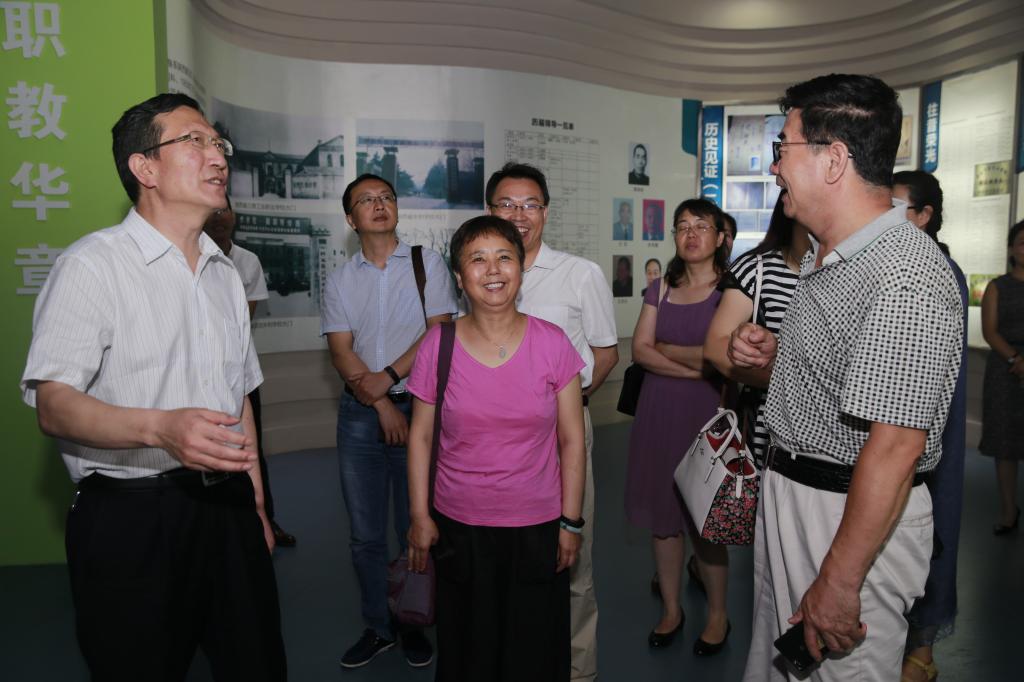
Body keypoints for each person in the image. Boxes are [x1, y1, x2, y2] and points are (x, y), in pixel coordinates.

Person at [20, 93, 286, 680]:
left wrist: (257, 507)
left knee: (257, 663)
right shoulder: (92, 266)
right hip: (132, 518)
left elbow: (238, 396)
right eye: (194, 141)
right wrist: (161, 429)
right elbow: (54, 405)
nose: (217, 156)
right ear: (145, 167)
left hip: (229, 508)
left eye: (218, 143)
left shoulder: (225, 274)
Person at [731, 74, 963, 681]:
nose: (774, 166)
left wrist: (839, 578)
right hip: (797, 496)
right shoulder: (831, 253)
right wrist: (777, 358)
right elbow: (846, 376)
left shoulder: (905, 275)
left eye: (782, 147)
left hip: (845, 516)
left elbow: (896, 445)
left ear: (833, 160)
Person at [405, 215, 586, 682]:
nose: (493, 270)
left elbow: (572, 439)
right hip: (460, 525)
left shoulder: (552, 342)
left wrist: (570, 522)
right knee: (471, 649)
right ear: (459, 276)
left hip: (537, 525)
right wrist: (420, 516)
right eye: (477, 259)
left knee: (533, 650)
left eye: (505, 257)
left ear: (521, 268)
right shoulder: (438, 345)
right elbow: (420, 437)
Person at [321, 173, 459, 669]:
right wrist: (379, 403)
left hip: (419, 406)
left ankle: (412, 621)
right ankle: (378, 626)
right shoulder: (340, 280)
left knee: (414, 524)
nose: (378, 205)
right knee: (365, 534)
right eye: (366, 200)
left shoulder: (428, 264)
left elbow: (439, 331)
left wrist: (391, 378)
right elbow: (341, 351)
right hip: (360, 414)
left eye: (386, 197)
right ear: (350, 218)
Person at [486, 162, 618, 681]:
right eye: (506, 204)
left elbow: (605, 353)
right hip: (495, 440)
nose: (518, 215)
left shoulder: (579, 274)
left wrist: (571, 402)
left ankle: (578, 672)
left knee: (572, 558)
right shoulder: (480, 271)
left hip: (564, 436)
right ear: (489, 210)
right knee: (505, 557)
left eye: (530, 205)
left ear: (545, 212)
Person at [625, 198, 731, 655]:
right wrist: (699, 369)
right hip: (658, 413)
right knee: (663, 521)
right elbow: (640, 350)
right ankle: (671, 609)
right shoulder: (662, 287)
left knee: (706, 522)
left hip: (709, 419)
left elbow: (724, 358)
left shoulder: (731, 291)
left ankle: (718, 615)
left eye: (701, 226)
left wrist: (673, 352)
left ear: (720, 237)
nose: (690, 234)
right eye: (682, 226)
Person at [891, 171, 968, 682]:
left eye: (898, 209)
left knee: (935, 524)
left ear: (924, 216)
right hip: (894, 427)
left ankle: (922, 645)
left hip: (930, 429)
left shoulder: (942, 272)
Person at [203, 199, 297, 547]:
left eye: (224, 211)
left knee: (249, 446)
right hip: (199, 376)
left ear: (234, 216)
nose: (219, 218)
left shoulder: (246, 261)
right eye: (213, 212)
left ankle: (264, 518)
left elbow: (242, 322)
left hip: (237, 372)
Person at [704, 196, 809, 467]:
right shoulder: (757, 268)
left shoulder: (853, 270)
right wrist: (795, 383)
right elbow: (716, 346)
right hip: (765, 435)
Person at [980, 220, 1024, 536]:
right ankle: (1009, 511)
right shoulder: (997, 286)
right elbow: (990, 331)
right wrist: (1017, 359)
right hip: (1005, 370)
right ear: (1011, 249)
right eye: (1023, 242)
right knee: (1005, 445)